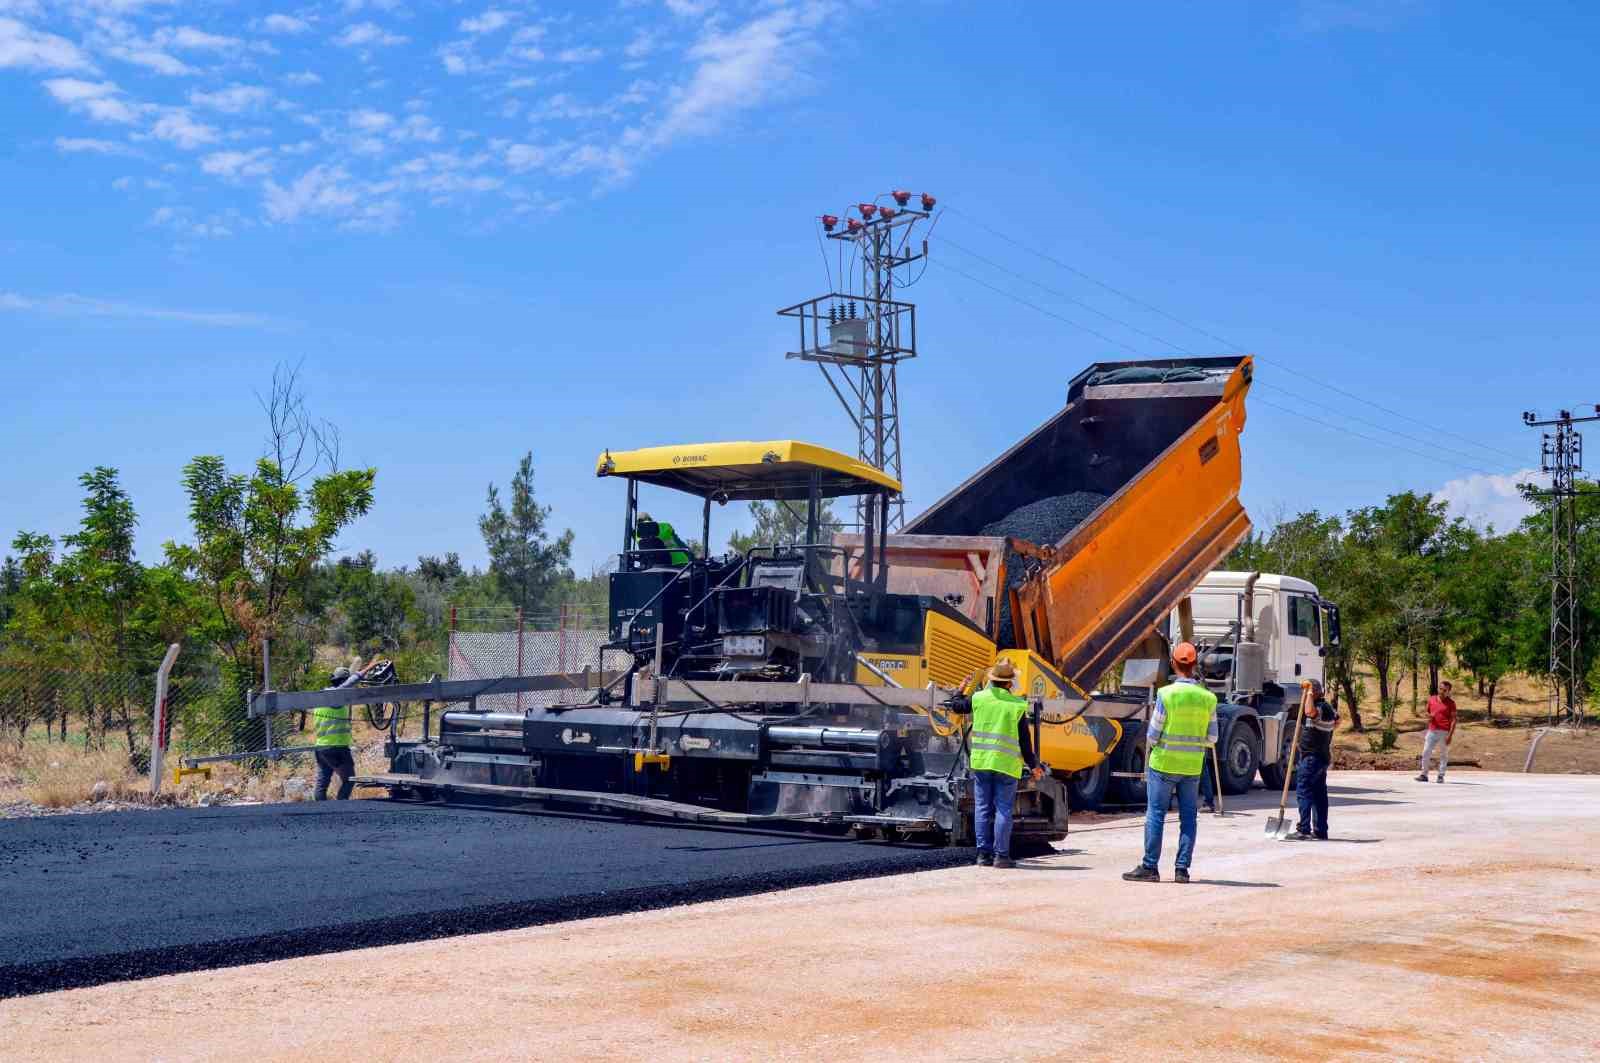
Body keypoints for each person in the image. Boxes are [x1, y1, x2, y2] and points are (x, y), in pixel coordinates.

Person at [1123, 642, 1218, 884]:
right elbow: (1213, 738)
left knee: (1156, 814)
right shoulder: (1208, 698)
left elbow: (1153, 734)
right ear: (1195, 665)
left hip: (1164, 764)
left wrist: (1159, 746)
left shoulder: (1166, 694)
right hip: (1192, 767)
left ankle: (1150, 867)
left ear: (1174, 664)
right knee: (1189, 817)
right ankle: (1182, 870)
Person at [964, 658, 1044, 869]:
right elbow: (1025, 742)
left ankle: (983, 855)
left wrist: (961, 689)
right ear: (1009, 683)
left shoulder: (979, 698)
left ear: (991, 680)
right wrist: (1034, 765)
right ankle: (1001, 856)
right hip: (1007, 766)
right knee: (1003, 809)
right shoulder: (1017, 704)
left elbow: (956, 705)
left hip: (981, 762)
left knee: (982, 808)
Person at [1288, 679, 1338, 840]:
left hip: (1312, 758)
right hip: (1320, 757)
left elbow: (1309, 712)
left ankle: (1303, 829)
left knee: (1304, 791)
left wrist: (1308, 692)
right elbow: (1338, 721)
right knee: (1319, 794)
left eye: (1308, 692)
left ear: (1315, 692)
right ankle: (1320, 830)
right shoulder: (1327, 708)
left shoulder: (1320, 708)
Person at [312, 666, 357, 801]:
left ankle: (321, 810)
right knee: (349, 779)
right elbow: (348, 685)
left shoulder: (320, 698)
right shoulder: (335, 699)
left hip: (321, 747)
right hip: (337, 747)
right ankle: (341, 807)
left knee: (322, 782)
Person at [1417, 679, 1457, 783]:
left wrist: (1450, 735)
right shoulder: (1431, 699)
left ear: (1448, 691)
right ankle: (1424, 774)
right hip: (1432, 730)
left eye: (1445, 690)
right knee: (1426, 752)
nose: (1442, 691)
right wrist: (1428, 716)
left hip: (1444, 732)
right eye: (1440, 689)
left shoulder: (1451, 703)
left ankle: (1441, 775)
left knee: (1443, 754)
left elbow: (1454, 720)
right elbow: (1427, 712)